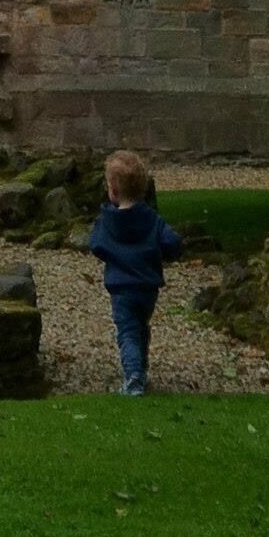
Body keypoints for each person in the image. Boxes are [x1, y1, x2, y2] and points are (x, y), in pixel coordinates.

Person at [87, 149, 181, 395]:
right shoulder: (152, 219)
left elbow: (95, 244)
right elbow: (172, 242)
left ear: (113, 190)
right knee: (141, 326)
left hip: (121, 287)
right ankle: (141, 369)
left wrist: (114, 254)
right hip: (148, 288)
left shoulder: (107, 221)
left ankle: (133, 377)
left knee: (127, 331)